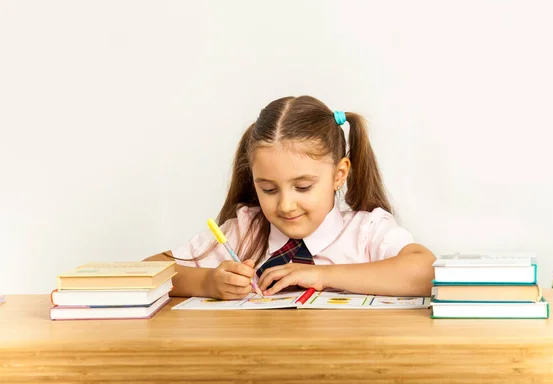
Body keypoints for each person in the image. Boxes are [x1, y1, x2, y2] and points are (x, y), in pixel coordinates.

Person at [145, 95, 436, 299]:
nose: (285, 205)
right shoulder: (245, 230)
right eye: (269, 190)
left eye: (303, 187)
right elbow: (148, 270)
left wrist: (322, 276)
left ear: (339, 174)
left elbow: (426, 272)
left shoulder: (366, 232)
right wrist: (207, 282)